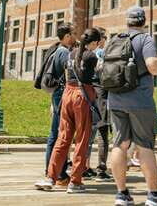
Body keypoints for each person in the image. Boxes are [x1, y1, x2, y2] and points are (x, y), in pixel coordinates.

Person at [108, 7, 157, 206]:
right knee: (145, 146)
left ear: (127, 22)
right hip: (140, 102)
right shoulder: (145, 39)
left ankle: (122, 194)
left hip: (115, 99)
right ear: (143, 22)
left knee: (119, 144)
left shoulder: (114, 40)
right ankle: (153, 195)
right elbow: (153, 66)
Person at [36, 28, 101, 193]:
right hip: (82, 96)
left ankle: (50, 177)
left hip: (67, 95)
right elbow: (94, 77)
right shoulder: (91, 56)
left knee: (63, 138)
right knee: (81, 140)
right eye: (97, 43)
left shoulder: (71, 53)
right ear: (94, 43)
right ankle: (75, 181)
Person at [42, 23, 75, 186]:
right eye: (73, 34)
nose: (75, 37)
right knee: (59, 134)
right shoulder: (63, 53)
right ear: (67, 36)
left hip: (57, 96)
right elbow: (70, 77)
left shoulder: (57, 50)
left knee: (55, 134)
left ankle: (52, 171)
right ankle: (58, 174)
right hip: (62, 96)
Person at [89, 28, 113, 181]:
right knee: (103, 133)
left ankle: (83, 167)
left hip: (88, 95)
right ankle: (101, 169)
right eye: (105, 37)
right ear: (100, 39)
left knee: (87, 135)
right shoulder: (102, 54)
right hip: (102, 96)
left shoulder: (85, 54)